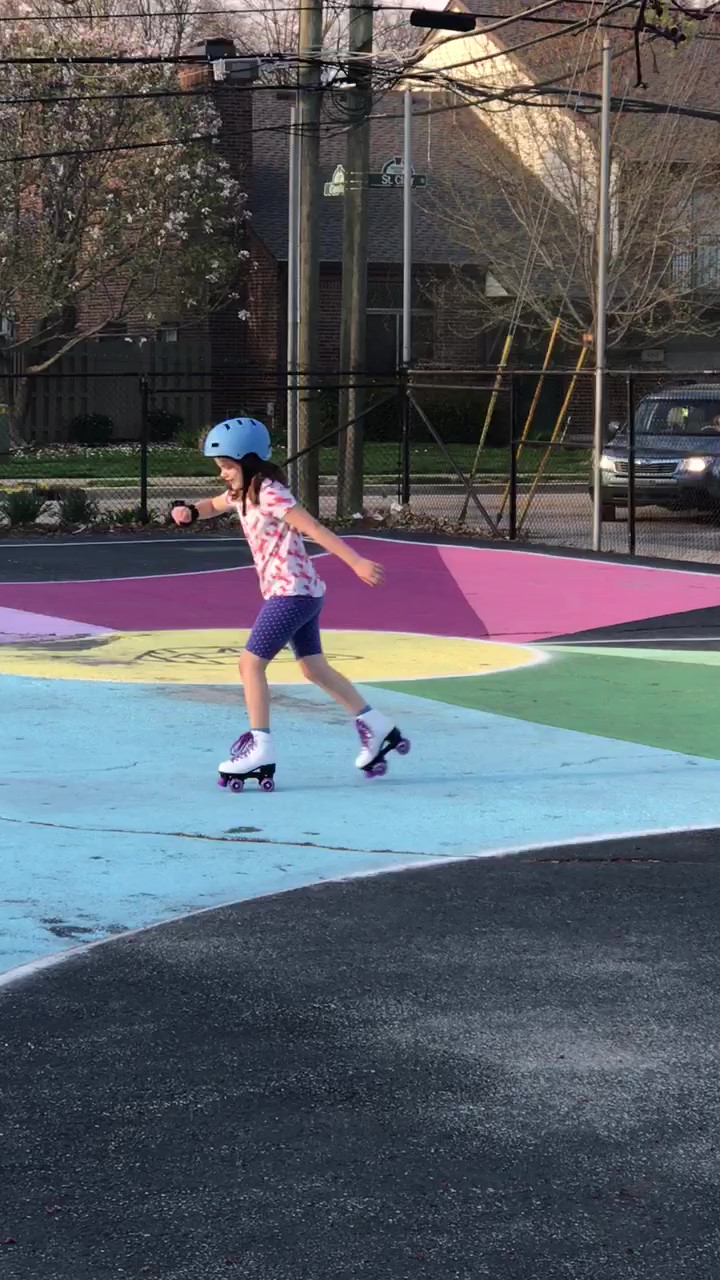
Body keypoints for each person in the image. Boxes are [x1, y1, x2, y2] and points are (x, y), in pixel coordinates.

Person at [171, 416, 408, 787]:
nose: (223, 475)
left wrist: (356, 561)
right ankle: (378, 726)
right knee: (313, 669)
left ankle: (260, 747)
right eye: (220, 468)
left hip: (291, 592)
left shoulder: (269, 492)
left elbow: (313, 528)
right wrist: (191, 512)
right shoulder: (241, 493)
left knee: (249, 665)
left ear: (248, 461)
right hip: (303, 592)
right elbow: (215, 504)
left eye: (228, 467)